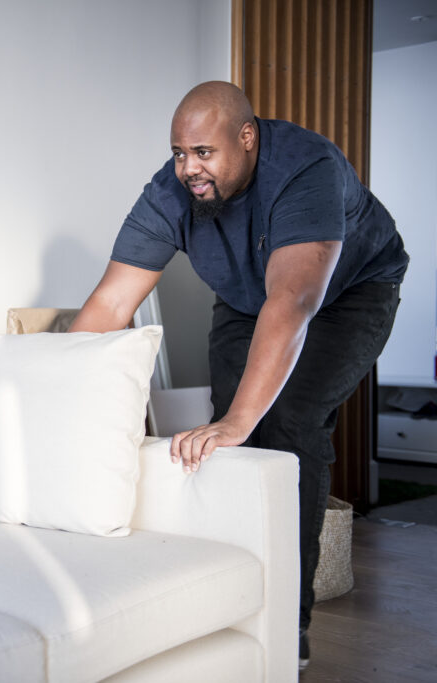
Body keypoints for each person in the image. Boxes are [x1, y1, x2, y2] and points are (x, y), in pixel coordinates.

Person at [69, 81, 408, 671]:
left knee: (290, 420)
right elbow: (109, 304)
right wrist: (52, 391)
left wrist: (237, 420)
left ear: (247, 138)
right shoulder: (168, 193)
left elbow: (294, 301)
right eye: (178, 153)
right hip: (248, 295)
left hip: (349, 292)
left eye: (204, 153)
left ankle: (287, 622)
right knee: (232, 440)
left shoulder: (306, 168)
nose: (187, 168)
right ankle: (234, 595)